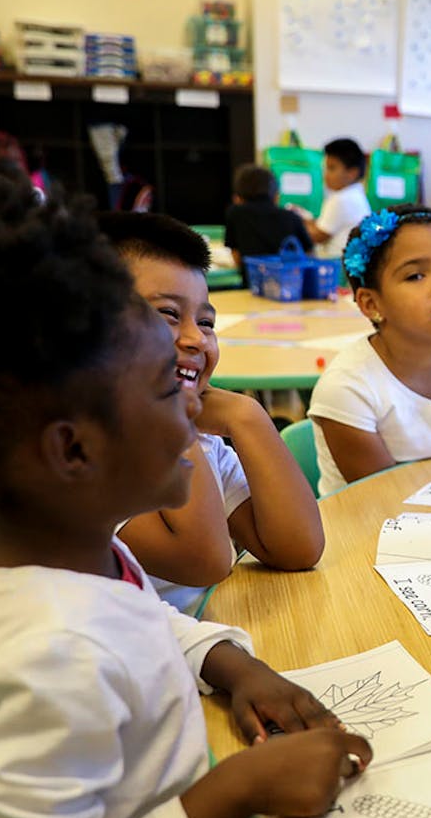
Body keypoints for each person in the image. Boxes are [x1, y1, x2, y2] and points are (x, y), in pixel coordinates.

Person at [0, 180, 371, 818]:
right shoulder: (46, 666)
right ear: (74, 448)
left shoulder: (49, 544)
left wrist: (229, 665)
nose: (195, 410)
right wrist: (233, 792)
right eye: (166, 389)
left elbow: (137, 615)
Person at [98, 212, 325, 611]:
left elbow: (298, 548)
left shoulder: (203, 444)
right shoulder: (85, 457)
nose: (195, 339)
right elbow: (207, 561)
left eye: (205, 322)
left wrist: (246, 415)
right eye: (168, 314)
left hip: (204, 646)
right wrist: (175, 413)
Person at [309, 208, 431, 496]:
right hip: (366, 530)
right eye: (416, 276)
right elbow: (384, 499)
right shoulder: (347, 388)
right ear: (371, 304)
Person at [223, 163, 312, 285]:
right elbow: (308, 253)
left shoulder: (235, 213)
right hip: (289, 285)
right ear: (276, 196)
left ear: (238, 197)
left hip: (251, 284)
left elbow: (236, 256)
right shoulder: (292, 217)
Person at [301, 138, 371, 260]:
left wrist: (294, 221)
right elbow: (323, 225)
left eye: (331, 168)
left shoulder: (342, 199)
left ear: (352, 173)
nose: (325, 175)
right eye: (326, 168)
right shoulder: (356, 194)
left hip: (337, 267)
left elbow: (317, 236)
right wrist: (305, 219)